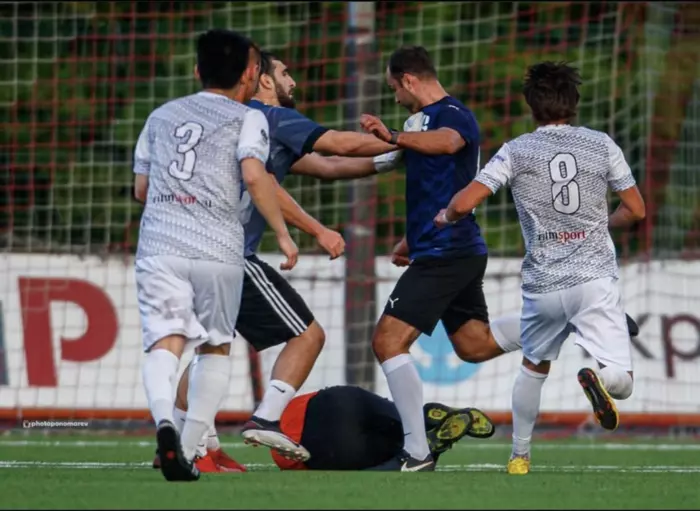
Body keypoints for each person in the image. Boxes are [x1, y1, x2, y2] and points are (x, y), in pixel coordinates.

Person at [154, 50, 418, 472]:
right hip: (228, 254)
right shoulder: (269, 117)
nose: (292, 81)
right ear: (263, 80)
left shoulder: (237, 124)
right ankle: (266, 419)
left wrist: (391, 158)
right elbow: (338, 145)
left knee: (211, 348)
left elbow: (329, 166)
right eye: (284, 72)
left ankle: (190, 445)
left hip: (185, 250)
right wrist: (408, 140)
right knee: (308, 336)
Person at [434, 61, 645, 475]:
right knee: (622, 381)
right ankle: (601, 379)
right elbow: (636, 210)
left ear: (531, 106)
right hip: (594, 280)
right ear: (574, 102)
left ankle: (519, 457)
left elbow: (465, 202)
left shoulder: (515, 150)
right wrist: (602, 222)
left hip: (544, 285)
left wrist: (447, 216)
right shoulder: (602, 144)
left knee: (533, 368)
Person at [133, 29, 297, 482]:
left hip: (161, 246)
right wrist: (283, 234)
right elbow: (255, 176)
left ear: (196, 70)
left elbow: (141, 189)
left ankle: (164, 420)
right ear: (250, 73)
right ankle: (187, 450)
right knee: (215, 346)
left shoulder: (160, 116)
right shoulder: (250, 117)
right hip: (218, 249)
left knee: (165, 343)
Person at [267, 386, 495, 471]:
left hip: (329, 446)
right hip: (338, 401)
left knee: (396, 452)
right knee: (402, 421)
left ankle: (428, 447)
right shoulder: (282, 407)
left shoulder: (279, 454)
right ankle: (422, 420)